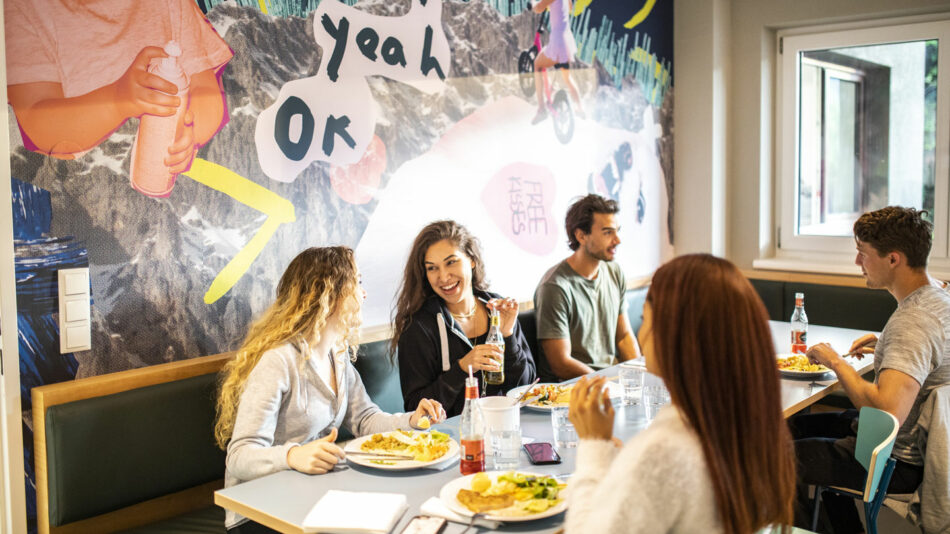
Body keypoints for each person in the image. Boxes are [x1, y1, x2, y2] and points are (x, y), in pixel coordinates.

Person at [215, 247, 445, 533]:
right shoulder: (279, 361)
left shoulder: (337, 354)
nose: (363, 294)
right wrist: (292, 456)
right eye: (357, 283)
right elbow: (239, 456)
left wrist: (410, 420)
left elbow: (365, 420)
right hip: (257, 511)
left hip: (310, 492)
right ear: (328, 293)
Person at [566, 254, 796, 533]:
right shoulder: (748, 426)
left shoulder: (662, 452)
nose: (642, 334)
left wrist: (593, 445)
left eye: (644, 320)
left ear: (672, 334)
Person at [793, 206, 950, 533]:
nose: (856, 263)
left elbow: (884, 412)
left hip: (893, 459)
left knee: (766, 461)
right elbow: (933, 353)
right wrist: (886, 348)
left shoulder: (913, 323)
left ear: (893, 259)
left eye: (862, 253)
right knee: (782, 432)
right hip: (902, 444)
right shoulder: (937, 295)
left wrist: (835, 361)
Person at [5, 0, 232, 174]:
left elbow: (207, 91)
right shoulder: (23, 9)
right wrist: (115, 102)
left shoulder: (171, 4)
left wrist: (192, 131)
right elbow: (37, 122)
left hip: (164, 184)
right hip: (87, 191)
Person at [392, 220, 536, 417]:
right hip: (452, 439)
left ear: (471, 259)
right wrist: (462, 368)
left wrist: (508, 336)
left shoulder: (498, 308)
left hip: (506, 426)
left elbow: (526, 389)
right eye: (432, 268)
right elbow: (415, 408)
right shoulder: (418, 327)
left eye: (451, 262)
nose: (443, 277)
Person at [533, 194, 640, 381]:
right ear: (581, 235)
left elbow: (623, 337)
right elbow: (561, 363)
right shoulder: (555, 287)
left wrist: (638, 375)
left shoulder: (614, 271)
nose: (617, 240)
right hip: (574, 389)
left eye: (617, 231)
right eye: (608, 232)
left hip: (609, 380)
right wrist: (606, 383)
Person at [530, 0, 585, 124]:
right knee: (567, 77)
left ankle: (541, 109)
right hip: (567, 41)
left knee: (538, 65)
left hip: (558, 41)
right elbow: (569, 7)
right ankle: (580, 108)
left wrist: (533, 3)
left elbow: (539, 8)